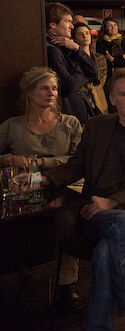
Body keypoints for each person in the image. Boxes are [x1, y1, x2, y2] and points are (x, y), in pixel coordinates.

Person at [39, 68, 125, 329]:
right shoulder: (96, 127)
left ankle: (99, 324)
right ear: (111, 98)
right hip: (96, 214)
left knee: (106, 250)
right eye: (124, 94)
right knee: (118, 226)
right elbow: (75, 166)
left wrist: (112, 202)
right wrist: (41, 180)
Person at [0, 68, 84, 313]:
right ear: (29, 92)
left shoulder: (70, 123)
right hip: (25, 185)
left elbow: (77, 161)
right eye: (44, 88)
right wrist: (8, 159)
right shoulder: (12, 126)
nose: (51, 93)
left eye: (55, 88)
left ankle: (67, 284)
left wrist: (37, 163)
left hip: (65, 183)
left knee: (67, 215)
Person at [45, 2, 98, 126]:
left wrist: (77, 48)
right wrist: (82, 73)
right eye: (67, 22)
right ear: (53, 25)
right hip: (67, 116)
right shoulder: (51, 50)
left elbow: (94, 73)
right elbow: (68, 85)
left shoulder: (66, 46)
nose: (72, 27)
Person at [72, 22, 107, 116]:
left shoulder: (99, 58)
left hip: (98, 96)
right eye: (80, 34)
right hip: (81, 96)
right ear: (74, 39)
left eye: (87, 33)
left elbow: (101, 79)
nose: (85, 36)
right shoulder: (72, 59)